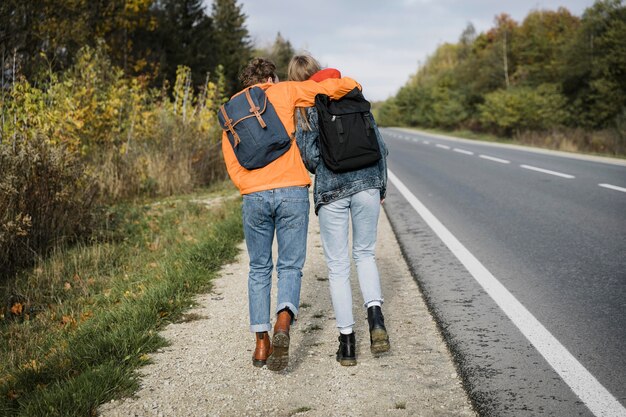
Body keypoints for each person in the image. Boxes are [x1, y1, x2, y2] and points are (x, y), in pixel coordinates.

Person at [221, 57, 361, 371]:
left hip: (253, 195)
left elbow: (232, 162)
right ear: (270, 78)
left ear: (247, 83)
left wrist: (249, 185)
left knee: (258, 268)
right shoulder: (284, 91)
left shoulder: (232, 108)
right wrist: (354, 84)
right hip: (292, 191)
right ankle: (283, 323)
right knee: (289, 266)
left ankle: (260, 344)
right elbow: (326, 90)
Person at [288, 55, 390, 366]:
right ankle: (376, 321)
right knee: (365, 253)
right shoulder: (352, 93)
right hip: (369, 181)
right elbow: (380, 146)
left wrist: (330, 166)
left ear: (296, 80)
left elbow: (309, 157)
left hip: (332, 189)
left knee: (337, 267)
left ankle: (347, 344)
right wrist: (380, 185)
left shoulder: (305, 104)